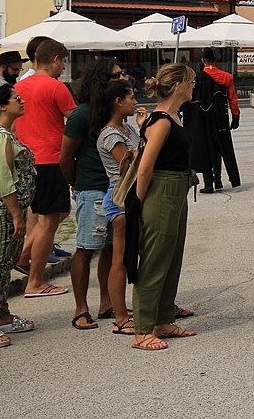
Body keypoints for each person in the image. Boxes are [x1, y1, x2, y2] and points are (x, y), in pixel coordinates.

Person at [132, 64, 198, 351]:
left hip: (175, 189)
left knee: (171, 257)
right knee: (155, 260)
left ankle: (162, 319)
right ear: (179, 85)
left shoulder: (172, 115)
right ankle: (142, 329)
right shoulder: (161, 120)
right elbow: (145, 168)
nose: (194, 85)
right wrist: (137, 204)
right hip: (162, 192)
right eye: (191, 81)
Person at [60, 58, 126, 330]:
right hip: (92, 190)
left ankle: (107, 302)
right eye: (116, 75)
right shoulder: (81, 114)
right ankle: (80, 308)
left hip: (115, 190)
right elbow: (66, 156)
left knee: (110, 249)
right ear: (101, 80)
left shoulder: (113, 111)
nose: (122, 78)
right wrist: (77, 183)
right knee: (86, 249)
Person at [14, 39, 76, 298]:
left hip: (28, 159)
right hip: (51, 157)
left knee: (55, 213)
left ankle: (24, 255)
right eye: (63, 62)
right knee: (50, 220)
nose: (63, 67)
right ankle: (36, 282)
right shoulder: (55, 87)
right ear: (55, 59)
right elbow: (75, 121)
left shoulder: (18, 87)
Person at [91, 78, 143, 336]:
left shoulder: (126, 128)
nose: (135, 102)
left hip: (131, 196)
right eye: (131, 97)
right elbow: (131, 166)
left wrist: (142, 129)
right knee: (120, 259)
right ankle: (120, 315)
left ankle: (129, 308)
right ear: (118, 102)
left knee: (131, 255)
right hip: (120, 196)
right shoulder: (110, 134)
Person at [0, 84, 34, 346]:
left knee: (6, 265)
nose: (21, 101)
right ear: (1, 106)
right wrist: (16, 216)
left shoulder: (9, 134)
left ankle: (0, 314)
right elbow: (3, 179)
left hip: (12, 211)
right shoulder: (1, 137)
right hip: (2, 213)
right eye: (15, 98)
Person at [187, 48, 240, 193]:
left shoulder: (197, 78)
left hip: (204, 118)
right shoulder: (226, 77)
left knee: (205, 147)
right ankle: (219, 179)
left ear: (202, 61)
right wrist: (235, 117)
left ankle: (208, 183)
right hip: (221, 118)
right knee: (219, 148)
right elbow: (233, 99)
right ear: (215, 60)